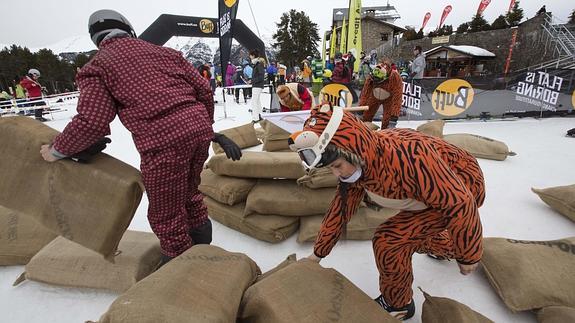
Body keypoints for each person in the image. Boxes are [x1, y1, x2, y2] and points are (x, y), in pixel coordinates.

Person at [39, 9, 242, 266]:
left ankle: (183, 269)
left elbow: (93, 120)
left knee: (165, 212)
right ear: (127, 28)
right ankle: (203, 247)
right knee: (190, 193)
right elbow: (202, 90)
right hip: (198, 129)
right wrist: (202, 124)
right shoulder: (166, 53)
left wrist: (57, 149)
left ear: (97, 39)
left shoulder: (98, 66)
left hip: (163, 141)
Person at [288, 105, 485, 320]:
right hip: (432, 195)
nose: (337, 174)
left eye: (337, 166)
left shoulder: (411, 157)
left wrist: (469, 254)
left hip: (463, 184)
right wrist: (317, 254)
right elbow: (340, 210)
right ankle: (447, 246)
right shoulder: (360, 165)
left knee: (389, 240)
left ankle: (397, 303)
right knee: (413, 234)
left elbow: (459, 202)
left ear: (353, 151)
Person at [359, 61, 403, 127]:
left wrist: (394, 116)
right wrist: (361, 108)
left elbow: (397, 97)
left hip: (389, 99)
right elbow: (365, 93)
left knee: (387, 122)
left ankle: (386, 133)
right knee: (366, 117)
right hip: (374, 96)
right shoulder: (371, 78)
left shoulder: (395, 77)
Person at [249, 49, 265, 123]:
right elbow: (258, 76)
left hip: (257, 85)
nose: (249, 56)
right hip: (257, 85)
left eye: (250, 55)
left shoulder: (259, 64)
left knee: (254, 102)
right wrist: (251, 80)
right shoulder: (256, 64)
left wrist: (252, 81)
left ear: (253, 56)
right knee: (257, 101)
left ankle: (256, 118)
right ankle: (259, 115)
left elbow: (261, 77)